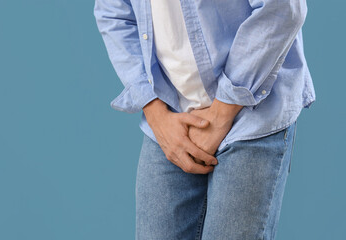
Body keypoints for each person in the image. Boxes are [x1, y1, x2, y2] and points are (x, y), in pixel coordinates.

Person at [93, 0, 316, 239]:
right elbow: (113, 11)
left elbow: (283, 7)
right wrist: (154, 111)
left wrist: (222, 112)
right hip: (171, 119)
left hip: (253, 111)